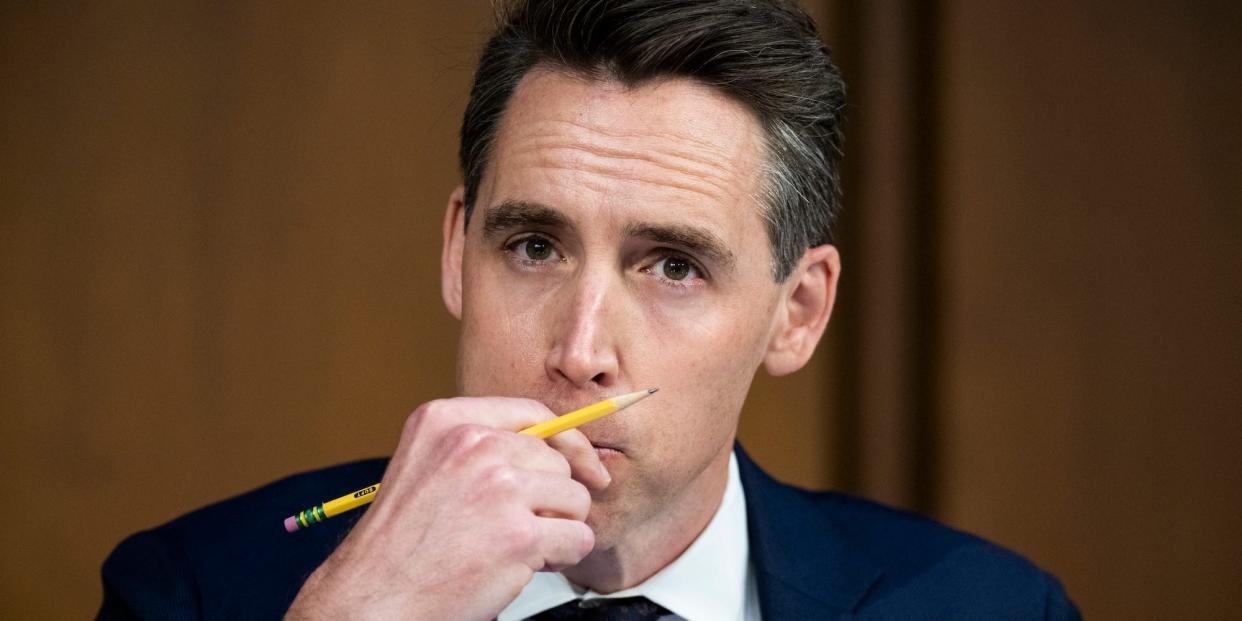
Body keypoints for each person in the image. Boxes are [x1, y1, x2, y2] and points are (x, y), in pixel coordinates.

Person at [98, 1, 1079, 619]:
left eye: (673, 266)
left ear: (800, 313)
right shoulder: (191, 589)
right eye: (534, 247)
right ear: (456, 252)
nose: (579, 352)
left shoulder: (988, 606)